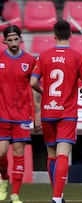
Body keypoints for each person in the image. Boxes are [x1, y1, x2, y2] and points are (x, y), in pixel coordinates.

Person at [30, 20, 82, 203]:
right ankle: (57, 198)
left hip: (48, 110)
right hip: (67, 112)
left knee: (51, 154)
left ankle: (57, 194)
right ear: (71, 35)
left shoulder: (44, 56)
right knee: (62, 154)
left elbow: (33, 82)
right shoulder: (78, 56)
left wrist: (45, 93)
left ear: (54, 35)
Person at [0, 25, 37, 203]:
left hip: (22, 114)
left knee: (18, 151)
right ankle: (4, 179)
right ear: (4, 40)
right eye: (10, 39)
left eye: (16, 39)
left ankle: (15, 194)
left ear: (20, 39)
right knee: (1, 153)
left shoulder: (30, 60)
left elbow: (34, 88)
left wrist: (36, 113)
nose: (14, 43)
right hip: (2, 113)